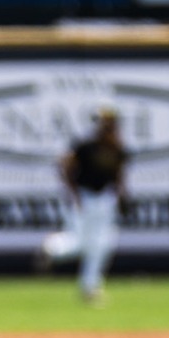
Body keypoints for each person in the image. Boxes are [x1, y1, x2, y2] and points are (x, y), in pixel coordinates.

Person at [50, 103, 130, 305]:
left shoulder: (118, 148)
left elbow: (119, 174)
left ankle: (90, 287)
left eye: (111, 123)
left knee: (103, 244)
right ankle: (51, 248)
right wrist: (73, 194)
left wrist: (121, 195)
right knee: (81, 243)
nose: (109, 127)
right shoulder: (86, 146)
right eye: (106, 123)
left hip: (105, 198)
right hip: (85, 196)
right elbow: (65, 166)